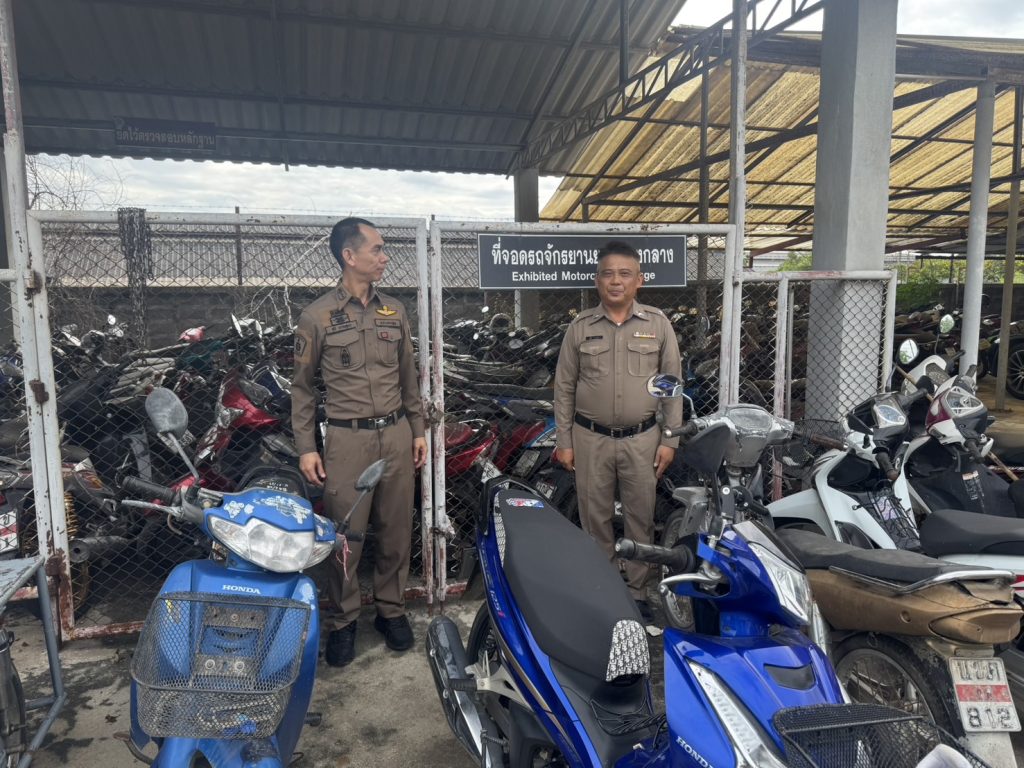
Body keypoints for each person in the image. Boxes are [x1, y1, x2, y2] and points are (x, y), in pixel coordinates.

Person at [292, 217, 427, 667]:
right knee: (345, 536)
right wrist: (307, 447)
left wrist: (418, 430)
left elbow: (409, 378)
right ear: (349, 256)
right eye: (377, 249)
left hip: (396, 435)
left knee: (395, 529)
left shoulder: (395, 311)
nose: (384, 257)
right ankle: (344, 620)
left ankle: (391, 610)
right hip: (347, 440)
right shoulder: (317, 317)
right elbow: (302, 389)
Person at [553, 240, 682, 623]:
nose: (615, 281)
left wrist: (670, 438)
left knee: (641, 517)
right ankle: (605, 590)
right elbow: (564, 388)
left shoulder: (658, 324)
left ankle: (638, 592)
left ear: (639, 280)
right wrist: (564, 441)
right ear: (597, 280)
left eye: (625, 274)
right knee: (595, 519)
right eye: (607, 273)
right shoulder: (580, 328)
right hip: (589, 439)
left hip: (643, 440)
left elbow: (671, 385)